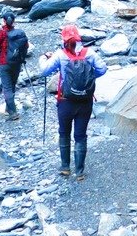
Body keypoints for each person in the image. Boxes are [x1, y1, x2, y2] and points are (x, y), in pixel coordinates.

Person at [39, 24, 107, 180]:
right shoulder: (89, 53)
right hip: (85, 101)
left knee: (64, 132)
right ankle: (79, 172)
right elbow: (102, 69)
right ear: (79, 38)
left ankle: (65, 167)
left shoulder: (60, 55)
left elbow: (44, 71)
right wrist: (88, 78)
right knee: (80, 136)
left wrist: (43, 58)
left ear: (64, 39)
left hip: (65, 101)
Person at [0, 10, 30, 121]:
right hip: (17, 63)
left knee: (7, 88)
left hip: (4, 63)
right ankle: (9, 108)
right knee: (12, 85)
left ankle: (13, 113)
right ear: (14, 21)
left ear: (3, 21)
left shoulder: (1, 33)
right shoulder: (20, 33)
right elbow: (26, 46)